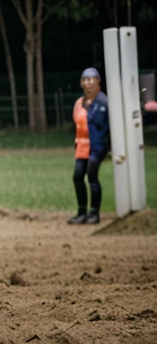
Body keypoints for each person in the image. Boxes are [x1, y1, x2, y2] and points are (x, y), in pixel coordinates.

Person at [68, 67, 110, 225]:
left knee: (92, 177)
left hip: (97, 146)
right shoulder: (79, 103)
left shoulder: (103, 102)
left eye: (91, 79)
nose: (88, 83)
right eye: (85, 79)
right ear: (81, 83)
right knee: (78, 177)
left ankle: (94, 213)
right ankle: (81, 212)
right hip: (81, 147)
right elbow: (76, 126)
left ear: (98, 81)